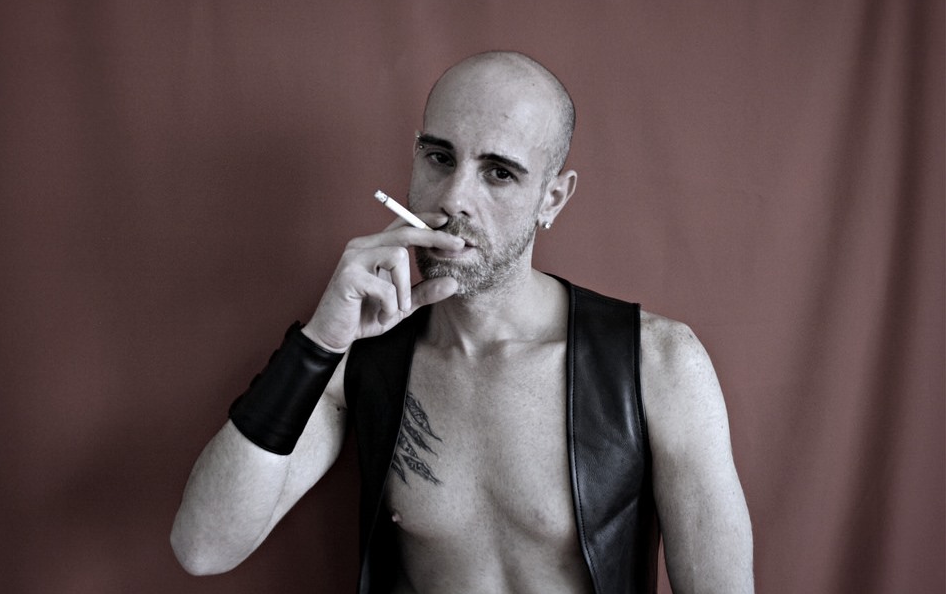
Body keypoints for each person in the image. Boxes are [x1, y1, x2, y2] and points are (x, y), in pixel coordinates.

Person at [170, 51, 754, 594]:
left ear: (552, 198)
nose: (453, 199)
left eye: (498, 173)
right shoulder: (361, 357)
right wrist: (317, 345)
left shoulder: (658, 364)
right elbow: (202, 547)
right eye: (440, 158)